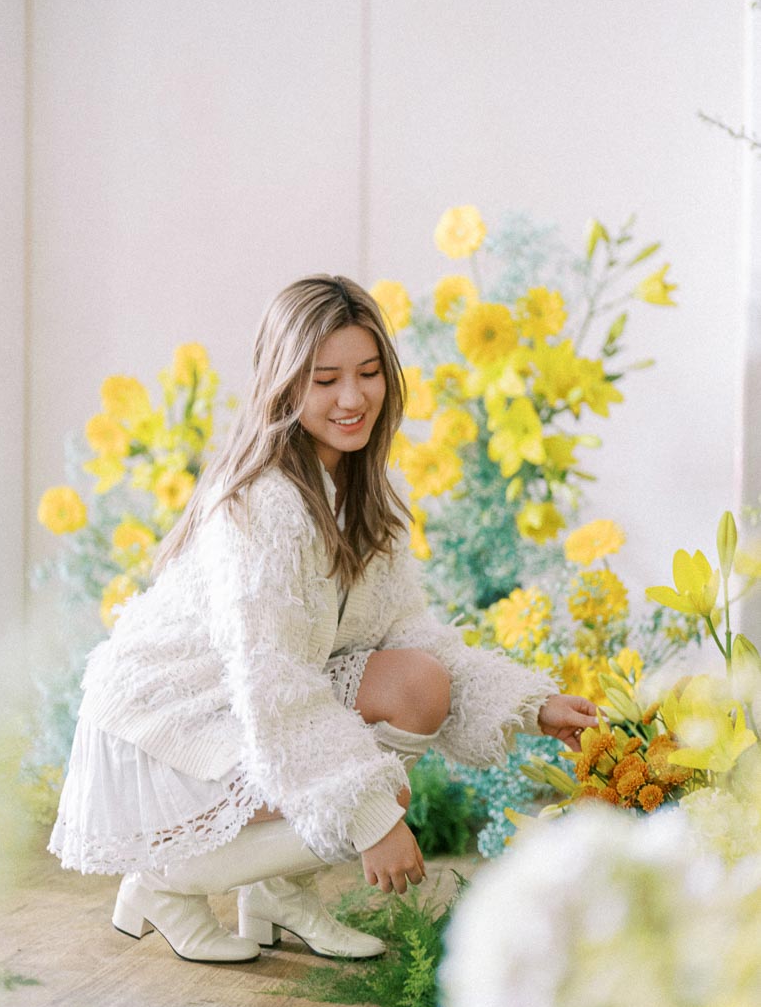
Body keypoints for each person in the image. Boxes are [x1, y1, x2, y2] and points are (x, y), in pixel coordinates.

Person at [49, 275, 598, 963]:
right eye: (325, 379)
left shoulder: (365, 489)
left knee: (419, 684)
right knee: (377, 790)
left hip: (239, 706)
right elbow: (273, 684)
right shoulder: (261, 504)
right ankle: (163, 882)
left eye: (368, 373)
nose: (352, 397)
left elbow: (413, 640)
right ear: (283, 387)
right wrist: (368, 817)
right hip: (167, 728)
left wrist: (533, 705)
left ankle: (275, 893)